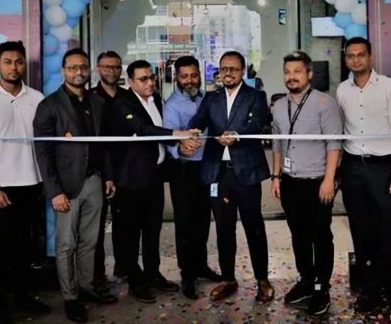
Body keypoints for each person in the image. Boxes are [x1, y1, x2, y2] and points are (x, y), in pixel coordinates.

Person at [0, 41, 51, 323]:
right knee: (0, 251)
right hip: (0, 188)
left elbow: (45, 141)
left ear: (24, 64)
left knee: (25, 248)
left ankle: (23, 297)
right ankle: (0, 306)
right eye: (7, 61)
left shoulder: (37, 98)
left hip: (32, 184)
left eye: (18, 61)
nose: (13, 67)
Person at [33, 49, 116, 323]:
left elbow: (105, 145)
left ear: (89, 69)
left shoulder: (97, 102)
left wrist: (108, 176)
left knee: (90, 241)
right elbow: (43, 152)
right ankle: (70, 298)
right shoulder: (49, 105)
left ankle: (86, 287)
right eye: (72, 68)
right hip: (66, 187)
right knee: (66, 244)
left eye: (82, 67)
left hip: (95, 180)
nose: (78, 72)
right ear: (63, 71)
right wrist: (54, 191)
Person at [104, 60, 197, 303]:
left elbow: (158, 131)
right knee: (131, 233)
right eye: (143, 79)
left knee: (153, 229)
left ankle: (153, 274)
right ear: (131, 81)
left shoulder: (156, 99)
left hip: (154, 177)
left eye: (151, 78)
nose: (149, 83)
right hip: (131, 180)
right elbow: (143, 129)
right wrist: (178, 135)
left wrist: (178, 143)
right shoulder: (122, 103)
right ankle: (136, 281)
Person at [188, 50, 274, 303]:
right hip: (217, 174)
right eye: (224, 69)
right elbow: (199, 118)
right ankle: (228, 279)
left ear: (243, 71)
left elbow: (258, 123)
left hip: (246, 173)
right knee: (224, 229)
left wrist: (237, 134)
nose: (228, 73)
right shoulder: (211, 97)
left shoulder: (255, 96)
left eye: (233, 69)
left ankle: (262, 279)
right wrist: (193, 129)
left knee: (253, 227)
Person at [336, 37, 391, 316]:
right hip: (352, 167)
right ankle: (370, 290)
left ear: (370, 57)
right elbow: (340, 131)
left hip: (383, 168)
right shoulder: (342, 90)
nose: (355, 60)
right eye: (350, 56)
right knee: (361, 231)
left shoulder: (389, 87)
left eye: (360, 55)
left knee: (388, 232)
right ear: (346, 60)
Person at [270, 51, 342, 316]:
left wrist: (329, 180)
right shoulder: (279, 105)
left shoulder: (325, 103)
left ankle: (322, 287)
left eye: (297, 71)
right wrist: (276, 177)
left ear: (309, 74)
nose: (291, 77)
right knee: (298, 234)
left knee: (320, 235)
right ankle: (306, 281)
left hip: (318, 181)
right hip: (290, 182)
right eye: (287, 72)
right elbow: (277, 143)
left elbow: (334, 144)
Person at [162, 56, 222, 300]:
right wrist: (180, 148)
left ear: (200, 75)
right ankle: (187, 274)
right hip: (183, 171)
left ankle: (201, 266)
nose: (190, 80)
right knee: (185, 223)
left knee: (203, 219)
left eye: (194, 75)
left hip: (206, 168)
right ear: (177, 78)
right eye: (184, 76)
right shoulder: (172, 105)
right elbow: (168, 138)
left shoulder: (208, 99)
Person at [90, 50, 126, 287]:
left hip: (126, 168)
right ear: (97, 69)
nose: (112, 71)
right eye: (107, 67)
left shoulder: (128, 96)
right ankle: (97, 275)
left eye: (116, 67)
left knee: (124, 223)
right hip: (100, 169)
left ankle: (124, 267)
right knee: (97, 226)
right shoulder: (91, 98)